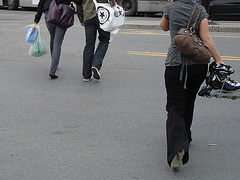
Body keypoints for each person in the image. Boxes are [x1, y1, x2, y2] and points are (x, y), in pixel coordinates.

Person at [159, 0, 236, 171]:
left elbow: (164, 26)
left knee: (174, 106)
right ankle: (186, 136)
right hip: (198, 66)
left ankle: (177, 148)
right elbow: (206, 38)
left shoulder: (171, 7)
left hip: (176, 65)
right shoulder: (199, 9)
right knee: (189, 101)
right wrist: (219, 61)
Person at [34, 0, 79, 80]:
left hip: (49, 13)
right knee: (58, 42)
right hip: (63, 13)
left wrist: (36, 19)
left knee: (53, 37)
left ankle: (53, 62)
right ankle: (52, 69)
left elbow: (41, 3)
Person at [76, 0, 116, 82]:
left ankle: (86, 75)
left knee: (89, 44)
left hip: (88, 15)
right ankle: (95, 64)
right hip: (103, 15)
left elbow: (79, 3)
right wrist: (113, 3)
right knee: (104, 40)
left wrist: (81, 18)